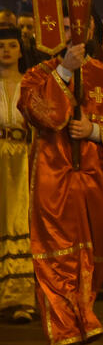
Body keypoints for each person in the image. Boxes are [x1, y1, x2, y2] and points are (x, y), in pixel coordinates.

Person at [18, 33, 103, 345]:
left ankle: (81, 324)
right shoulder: (37, 75)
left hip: (98, 180)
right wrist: (65, 73)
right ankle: (65, 337)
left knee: (92, 260)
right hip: (52, 180)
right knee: (56, 258)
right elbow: (42, 114)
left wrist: (95, 131)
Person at [0, 28, 34, 324]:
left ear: (21, 51)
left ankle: (21, 297)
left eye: (12, 45)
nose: (6, 51)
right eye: (1, 46)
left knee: (20, 219)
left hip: (23, 156)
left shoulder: (30, 83)